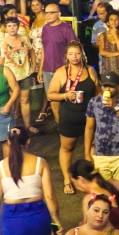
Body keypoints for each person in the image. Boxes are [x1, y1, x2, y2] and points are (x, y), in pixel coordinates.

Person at [47, 41, 98, 194]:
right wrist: (65, 95)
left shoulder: (90, 70)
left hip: (89, 118)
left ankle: (91, 179)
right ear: (66, 56)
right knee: (67, 148)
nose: (74, 57)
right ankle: (67, 180)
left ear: (82, 54)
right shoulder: (61, 72)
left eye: (77, 53)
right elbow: (50, 95)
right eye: (71, 54)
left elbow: (98, 91)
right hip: (69, 117)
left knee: (93, 147)